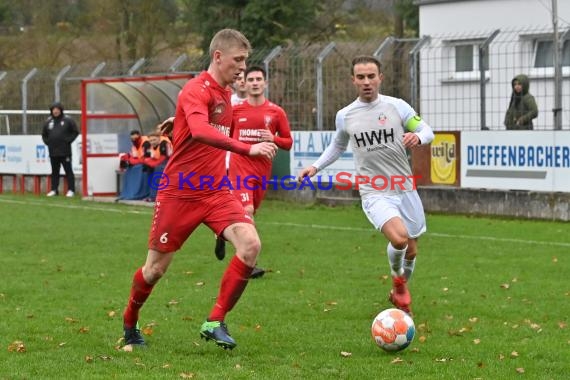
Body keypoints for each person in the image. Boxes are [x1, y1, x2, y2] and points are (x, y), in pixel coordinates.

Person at [121, 28, 278, 350]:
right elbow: (201, 129)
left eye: (245, 61)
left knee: (250, 245)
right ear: (218, 56)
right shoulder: (197, 89)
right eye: (238, 60)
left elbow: (199, 125)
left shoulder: (224, 97)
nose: (242, 67)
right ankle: (130, 323)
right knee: (154, 270)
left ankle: (215, 321)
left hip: (215, 190)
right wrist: (247, 149)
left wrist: (178, 121)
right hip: (180, 192)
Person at [297, 56, 434, 316]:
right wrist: (315, 167)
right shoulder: (345, 115)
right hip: (374, 190)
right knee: (399, 238)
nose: (366, 82)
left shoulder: (398, 107)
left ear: (380, 78)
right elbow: (337, 146)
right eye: (361, 77)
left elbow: (427, 130)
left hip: (404, 187)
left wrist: (417, 136)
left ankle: (399, 288)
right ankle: (398, 281)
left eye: (371, 76)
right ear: (353, 81)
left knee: (412, 251)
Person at [216, 65, 293, 279]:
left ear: (265, 83)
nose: (255, 83)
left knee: (249, 212)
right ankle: (249, 263)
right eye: (251, 80)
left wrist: (273, 139)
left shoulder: (276, 112)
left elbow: (288, 142)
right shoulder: (236, 111)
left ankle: (222, 231)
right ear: (245, 83)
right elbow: (224, 137)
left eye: (259, 79)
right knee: (246, 210)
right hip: (240, 168)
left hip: (262, 171)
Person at [41, 102, 79, 197]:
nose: (55, 111)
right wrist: (48, 142)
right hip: (53, 151)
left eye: (57, 109)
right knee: (54, 171)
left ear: (61, 110)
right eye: (54, 109)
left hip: (65, 151)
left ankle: (71, 190)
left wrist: (68, 140)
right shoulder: (48, 122)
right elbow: (44, 134)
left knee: (68, 170)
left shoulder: (67, 120)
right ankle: (54, 190)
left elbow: (75, 131)